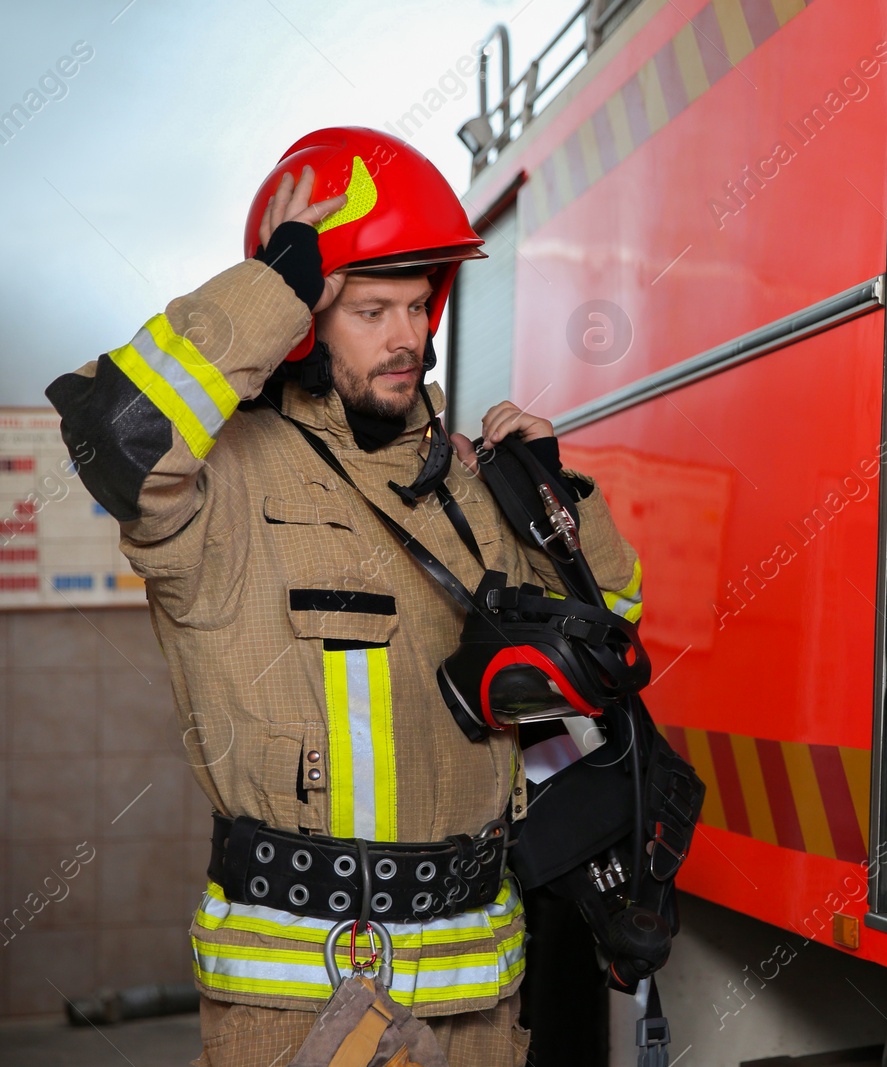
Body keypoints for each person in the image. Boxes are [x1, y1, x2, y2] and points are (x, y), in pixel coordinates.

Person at [46, 127, 643, 1067]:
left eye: (417, 304)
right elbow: (119, 435)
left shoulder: (470, 484)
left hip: (482, 990)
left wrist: (558, 501)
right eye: (370, 309)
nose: (408, 336)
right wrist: (269, 286)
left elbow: (609, 638)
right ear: (305, 323)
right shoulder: (220, 486)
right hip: (301, 1008)